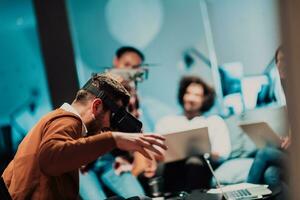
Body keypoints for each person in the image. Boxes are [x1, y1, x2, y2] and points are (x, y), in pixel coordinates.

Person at [1, 73, 167, 199]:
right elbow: (50, 158)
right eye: (113, 117)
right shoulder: (66, 120)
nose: (109, 127)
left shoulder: (60, 121)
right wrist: (114, 139)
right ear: (96, 106)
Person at [79, 47, 155, 199]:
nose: (129, 71)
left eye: (134, 68)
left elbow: (136, 129)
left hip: (113, 161)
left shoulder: (132, 95)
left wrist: (147, 156)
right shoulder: (93, 86)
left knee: (139, 197)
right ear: (116, 61)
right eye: (127, 65)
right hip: (83, 161)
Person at [155, 75, 231, 192]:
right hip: (172, 165)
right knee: (172, 165)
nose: (191, 98)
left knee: (194, 161)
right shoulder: (167, 122)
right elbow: (156, 151)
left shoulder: (214, 121)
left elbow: (223, 153)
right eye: (188, 93)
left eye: (197, 95)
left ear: (205, 99)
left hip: (202, 164)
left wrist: (205, 151)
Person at [247, 46, 290, 189]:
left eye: (284, 60)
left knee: (264, 153)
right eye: (277, 61)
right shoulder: (288, 95)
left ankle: (246, 195)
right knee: (271, 174)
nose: (279, 65)